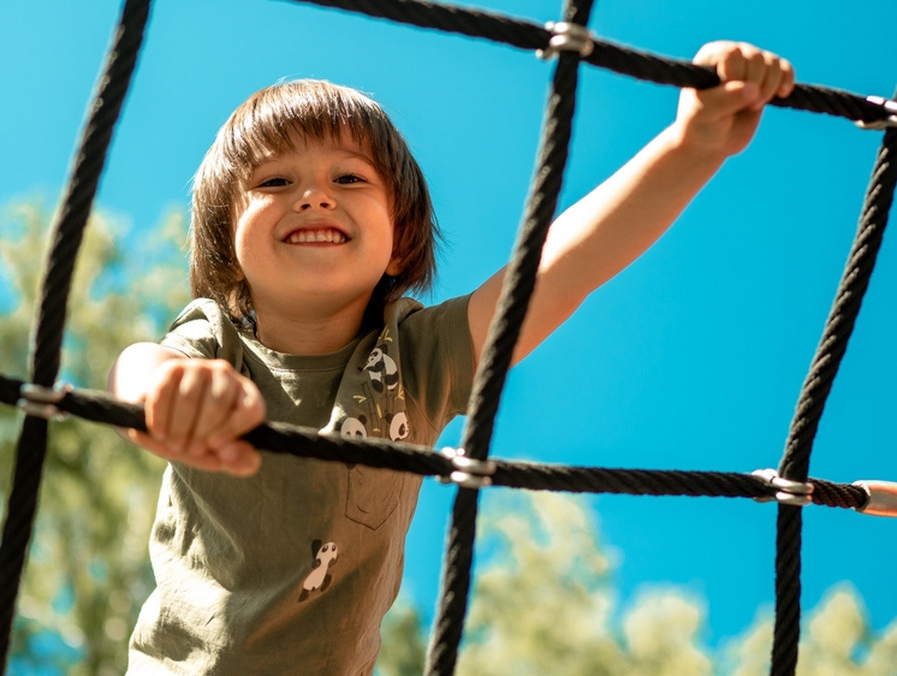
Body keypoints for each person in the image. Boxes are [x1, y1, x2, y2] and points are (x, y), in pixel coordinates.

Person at [108, 41, 795, 674]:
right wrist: (168, 394)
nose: (314, 194)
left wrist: (689, 146)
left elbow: (560, 269)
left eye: (350, 178)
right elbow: (142, 367)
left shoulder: (414, 362)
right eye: (273, 182)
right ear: (229, 244)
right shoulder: (218, 343)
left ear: (401, 240)